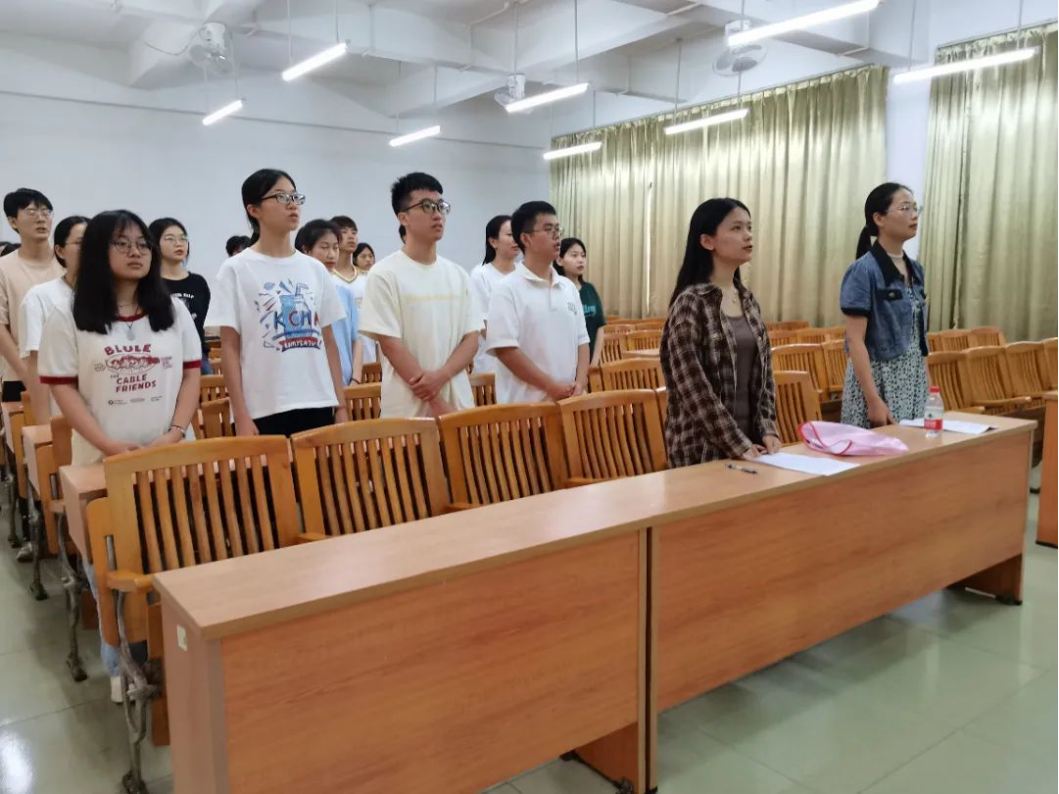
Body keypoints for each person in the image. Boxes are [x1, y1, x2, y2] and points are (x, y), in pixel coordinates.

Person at [37, 209, 201, 702]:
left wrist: (175, 433)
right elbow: (64, 390)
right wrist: (108, 445)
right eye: (122, 244)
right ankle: (122, 664)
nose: (137, 252)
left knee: (178, 556)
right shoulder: (68, 315)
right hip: (101, 464)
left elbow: (191, 374)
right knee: (109, 569)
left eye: (143, 244)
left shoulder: (171, 311)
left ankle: (181, 654)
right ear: (96, 252)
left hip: (171, 458)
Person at [206, 168, 348, 437]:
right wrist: (241, 415)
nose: (292, 204)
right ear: (254, 209)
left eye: (295, 196)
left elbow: (329, 342)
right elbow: (229, 348)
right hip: (264, 407)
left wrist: (340, 405)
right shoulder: (236, 269)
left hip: (318, 401)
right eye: (281, 197)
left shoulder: (315, 269)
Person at [659, 198, 781, 467]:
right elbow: (693, 389)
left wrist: (768, 429)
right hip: (704, 450)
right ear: (707, 241)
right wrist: (736, 443)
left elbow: (764, 378)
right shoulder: (691, 303)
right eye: (736, 228)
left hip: (754, 447)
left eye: (749, 227)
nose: (747, 235)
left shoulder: (748, 301)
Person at [358, 172, 479, 418]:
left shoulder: (458, 274)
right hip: (407, 413)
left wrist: (441, 376)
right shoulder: (384, 274)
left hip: (459, 407)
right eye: (426, 206)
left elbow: (471, 339)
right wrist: (436, 402)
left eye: (441, 206)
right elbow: (391, 345)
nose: (437, 214)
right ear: (403, 217)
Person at [840, 182, 928, 428]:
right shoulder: (863, 270)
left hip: (913, 379)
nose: (914, 215)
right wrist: (873, 400)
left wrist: (926, 387)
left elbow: (918, 338)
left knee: (916, 448)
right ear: (879, 218)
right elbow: (855, 340)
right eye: (905, 208)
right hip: (879, 382)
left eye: (915, 208)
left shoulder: (916, 269)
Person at [487, 201, 589, 404]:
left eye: (558, 229)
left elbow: (582, 341)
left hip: (570, 402)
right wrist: (551, 387)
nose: (557, 236)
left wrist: (580, 383)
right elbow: (506, 351)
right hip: (526, 409)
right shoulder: (506, 289)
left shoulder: (568, 287)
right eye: (549, 229)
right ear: (526, 239)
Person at [19, 214, 89, 422]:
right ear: (60, 251)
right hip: (62, 412)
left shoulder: (116, 296)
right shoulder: (40, 297)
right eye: (81, 243)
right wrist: (43, 423)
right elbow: (35, 364)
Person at [1, 188, 64, 403]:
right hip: (20, 376)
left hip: (70, 372)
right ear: (13, 221)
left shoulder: (69, 263)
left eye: (46, 212)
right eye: (31, 212)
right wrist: (27, 375)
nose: (41, 218)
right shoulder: (3, 268)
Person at [295, 218, 361, 387]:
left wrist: (356, 379)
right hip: (311, 385)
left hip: (346, 383)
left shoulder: (345, 294)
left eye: (335, 247)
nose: (331, 254)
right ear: (306, 251)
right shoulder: (297, 296)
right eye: (324, 247)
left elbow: (356, 339)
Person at [150, 217, 212, 373]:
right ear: (154, 243)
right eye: (170, 239)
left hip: (197, 357)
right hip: (160, 359)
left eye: (183, 238)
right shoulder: (149, 284)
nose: (179, 243)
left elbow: (201, 320)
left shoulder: (198, 282)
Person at [468, 215, 517, 374]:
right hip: (492, 364)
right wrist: (515, 357)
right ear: (493, 241)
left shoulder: (524, 274)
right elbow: (484, 326)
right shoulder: (480, 275)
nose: (516, 239)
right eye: (510, 234)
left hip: (526, 361)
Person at [553, 237, 606, 366]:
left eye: (583, 255)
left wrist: (594, 362)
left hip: (591, 363)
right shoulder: (555, 291)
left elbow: (599, 327)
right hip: (564, 365)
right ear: (559, 260)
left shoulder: (590, 289)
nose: (580, 260)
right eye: (574, 255)